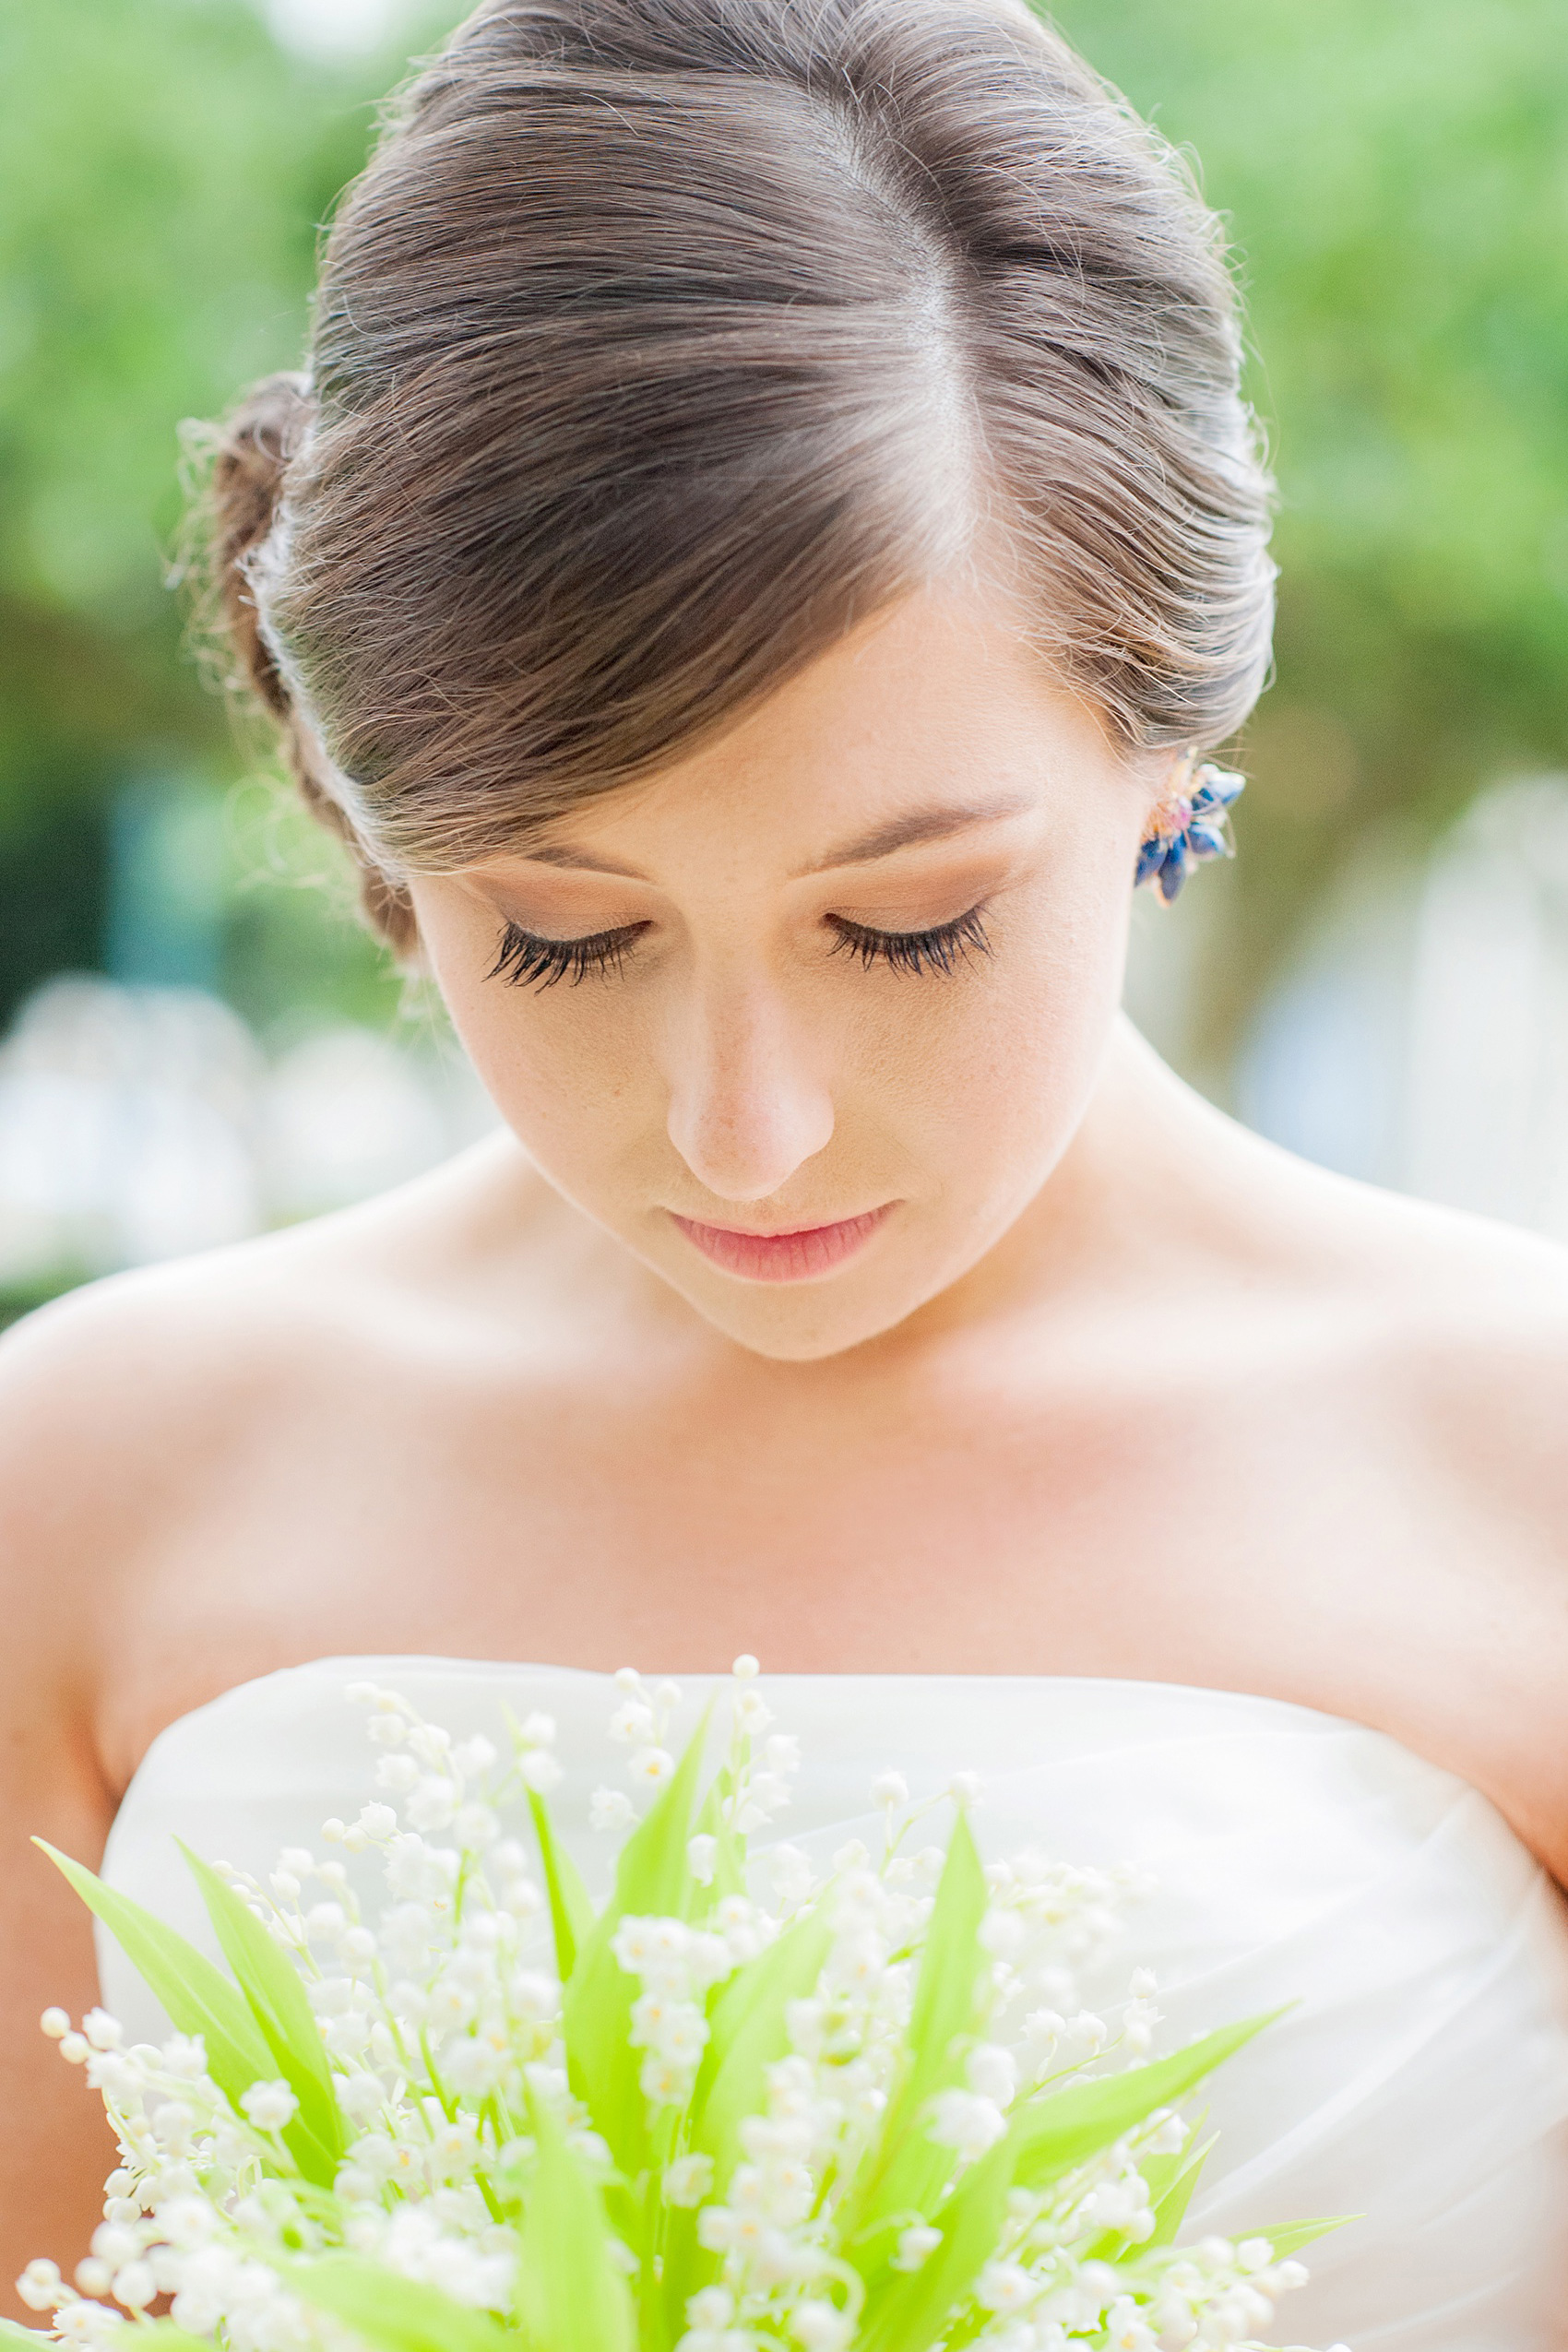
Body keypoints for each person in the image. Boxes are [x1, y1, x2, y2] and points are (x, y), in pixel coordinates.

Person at [2, 0, 1565, 2339]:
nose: (749, 1127)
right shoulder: (90, 1480)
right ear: (374, 835)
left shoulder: (1523, 1458)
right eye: (561, 935)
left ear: (1168, 751)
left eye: (908, 921)